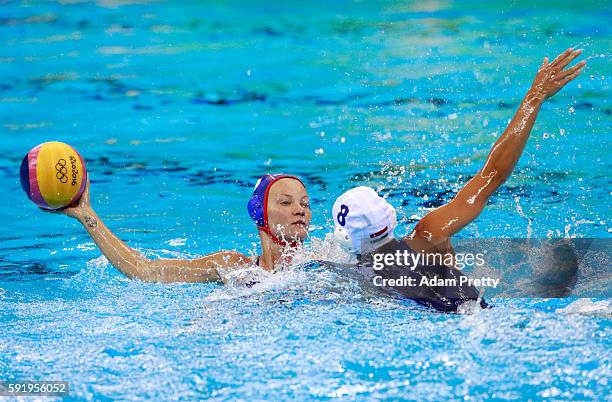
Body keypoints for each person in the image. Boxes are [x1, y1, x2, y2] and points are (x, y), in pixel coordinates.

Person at [331, 48, 586, 311]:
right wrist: (535, 96)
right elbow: (493, 174)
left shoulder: (354, 279)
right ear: (390, 216)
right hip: (485, 316)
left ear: (344, 237)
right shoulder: (431, 233)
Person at [47, 173, 310, 282]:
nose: (300, 210)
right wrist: (87, 215)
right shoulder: (232, 266)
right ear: (259, 212)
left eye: (305, 204)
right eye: (286, 202)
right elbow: (145, 271)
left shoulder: (320, 261)